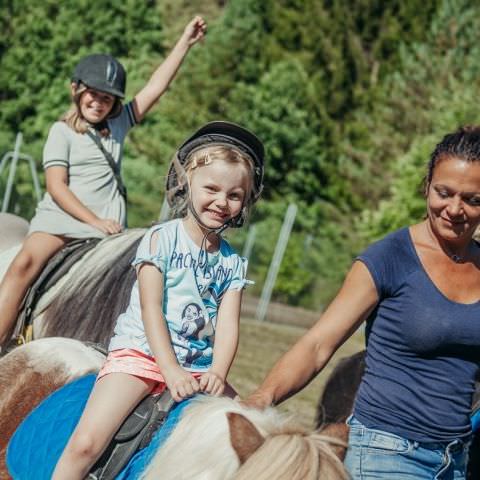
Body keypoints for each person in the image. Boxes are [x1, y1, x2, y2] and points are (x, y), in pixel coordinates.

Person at [245, 126, 480, 479]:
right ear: (426, 185)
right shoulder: (390, 257)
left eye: (472, 199)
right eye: (443, 193)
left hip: (454, 463)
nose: (454, 209)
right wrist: (262, 398)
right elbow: (318, 344)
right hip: (386, 456)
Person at [52, 120, 265, 479]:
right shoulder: (160, 239)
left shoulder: (232, 263)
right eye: (211, 188)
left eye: (234, 195)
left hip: (199, 368)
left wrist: (217, 372)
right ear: (187, 184)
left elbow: (228, 326)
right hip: (143, 356)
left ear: (244, 201)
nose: (221, 202)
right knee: (87, 443)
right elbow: (152, 309)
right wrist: (169, 370)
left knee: (251, 445)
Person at [0, 16, 207, 349]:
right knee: (23, 264)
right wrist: (94, 220)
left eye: (107, 99)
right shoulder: (61, 132)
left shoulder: (119, 125)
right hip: (62, 222)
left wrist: (185, 42)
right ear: (76, 91)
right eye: (92, 95)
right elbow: (57, 187)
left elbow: (155, 87)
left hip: (106, 230)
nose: (98, 102)